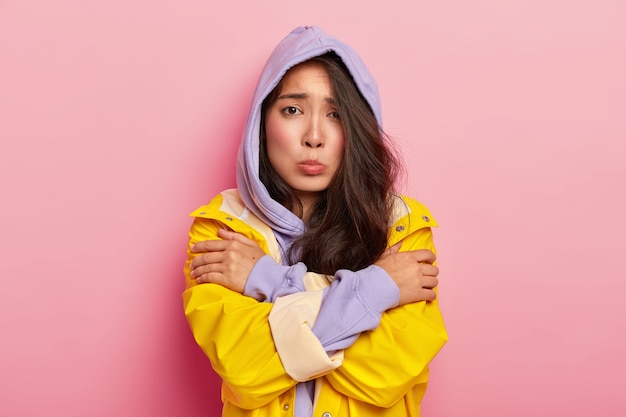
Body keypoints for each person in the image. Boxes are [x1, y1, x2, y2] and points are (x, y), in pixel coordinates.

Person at [183, 26, 447, 417]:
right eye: (293, 110)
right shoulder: (223, 230)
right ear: (261, 120)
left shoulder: (402, 225)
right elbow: (246, 367)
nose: (314, 136)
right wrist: (377, 289)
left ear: (357, 127)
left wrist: (266, 280)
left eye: (336, 114)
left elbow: (383, 374)